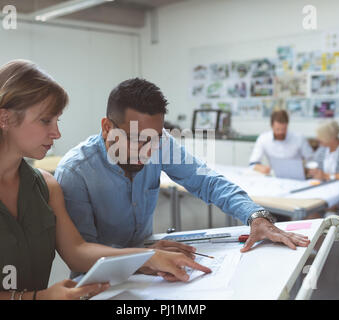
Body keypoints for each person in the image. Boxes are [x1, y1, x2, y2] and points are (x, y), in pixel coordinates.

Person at [0, 60, 212, 300]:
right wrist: (38, 297)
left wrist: (147, 258)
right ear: (5, 119)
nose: (56, 133)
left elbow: (77, 251)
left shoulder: (45, 186)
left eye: (58, 120)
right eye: (46, 121)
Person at [55, 78, 310, 278]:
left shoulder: (159, 143)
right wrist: (144, 257)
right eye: (136, 140)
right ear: (107, 127)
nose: (147, 152)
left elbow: (205, 180)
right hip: (100, 282)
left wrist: (255, 216)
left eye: (154, 140)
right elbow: (82, 255)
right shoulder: (76, 173)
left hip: (152, 267)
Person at [249, 109, 314, 175]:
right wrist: (261, 168)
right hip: (274, 176)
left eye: (284, 129)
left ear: (287, 125)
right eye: (277, 129)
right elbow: (252, 163)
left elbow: (312, 160)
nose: (281, 132)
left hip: (296, 176)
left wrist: (307, 170)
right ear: (271, 126)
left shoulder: (299, 138)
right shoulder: (263, 138)